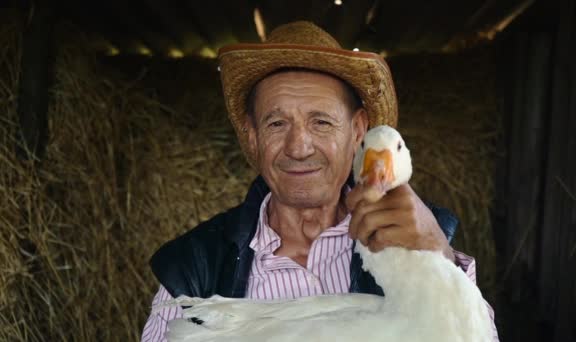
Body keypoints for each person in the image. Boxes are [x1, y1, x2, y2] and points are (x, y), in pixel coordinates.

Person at [141, 21, 498, 342]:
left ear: (358, 131)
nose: (298, 147)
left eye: (321, 122)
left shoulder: (419, 244)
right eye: (276, 124)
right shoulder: (192, 267)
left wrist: (437, 252)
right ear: (252, 137)